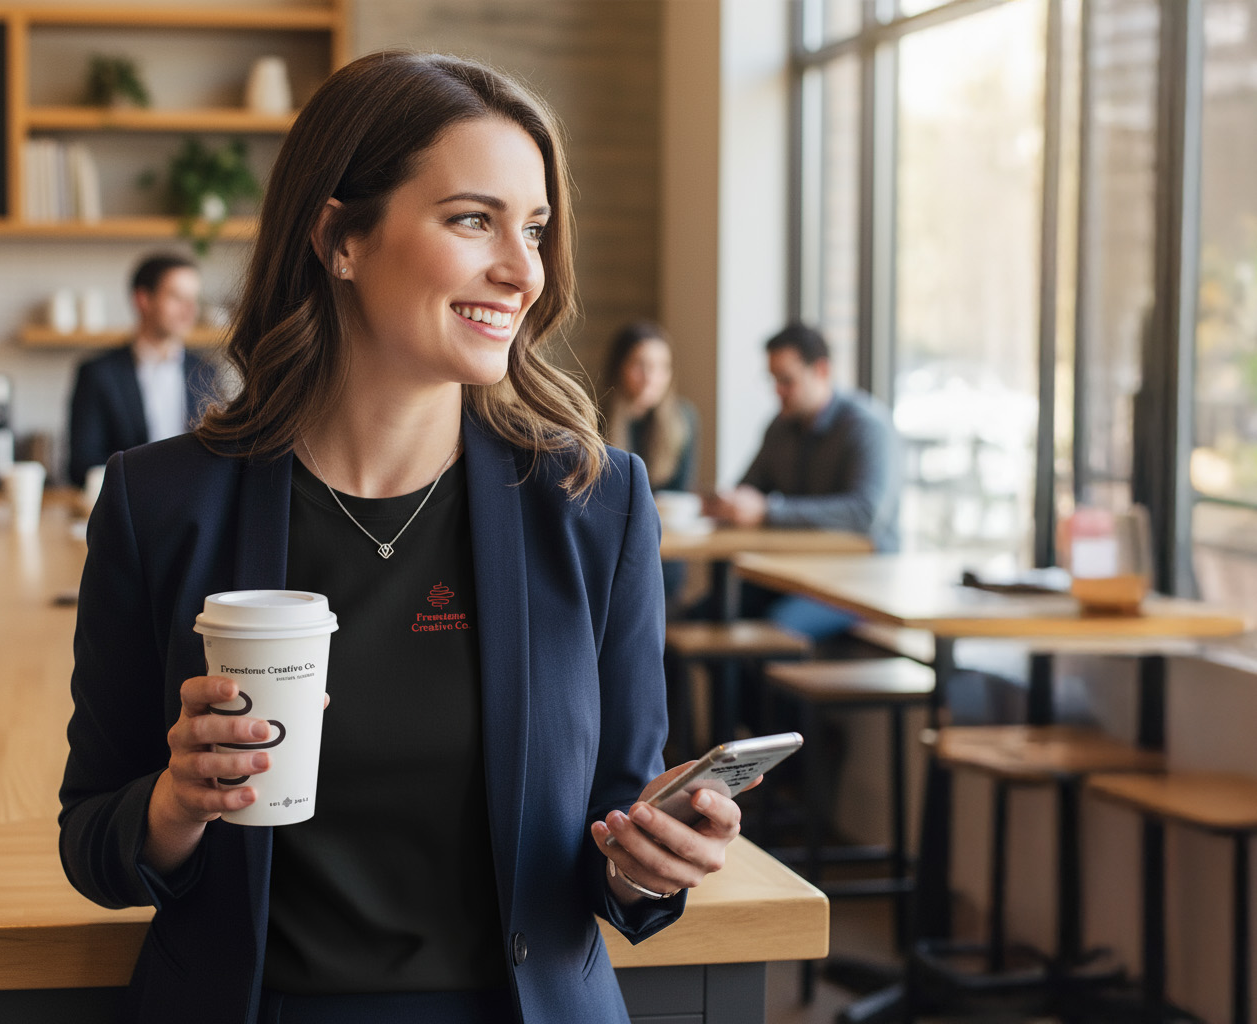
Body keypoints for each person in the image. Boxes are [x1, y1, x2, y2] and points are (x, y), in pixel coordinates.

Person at [59, 52, 748, 1024]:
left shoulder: (594, 504)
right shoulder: (158, 502)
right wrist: (176, 800)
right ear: (339, 236)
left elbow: (617, 841)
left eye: (535, 228)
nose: (521, 268)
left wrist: (650, 864)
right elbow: (92, 840)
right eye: (474, 219)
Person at [706, 321, 901, 639]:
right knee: (706, 614)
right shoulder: (781, 428)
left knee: (771, 630)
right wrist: (726, 503)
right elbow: (750, 487)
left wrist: (768, 512)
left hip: (861, 582)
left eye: (786, 380)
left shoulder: (866, 428)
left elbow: (865, 513)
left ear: (821, 371)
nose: (777, 391)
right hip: (797, 575)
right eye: (772, 380)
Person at [66, 252, 223, 487]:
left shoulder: (206, 372)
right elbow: (81, 464)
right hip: (129, 509)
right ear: (143, 300)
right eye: (177, 297)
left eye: (193, 299)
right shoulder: (98, 373)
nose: (190, 310)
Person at [599, 321, 698, 602]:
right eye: (640, 365)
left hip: (664, 548)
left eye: (661, 367)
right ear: (619, 367)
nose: (651, 377)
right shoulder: (593, 417)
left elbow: (678, 495)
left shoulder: (683, 420)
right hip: (610, 549)